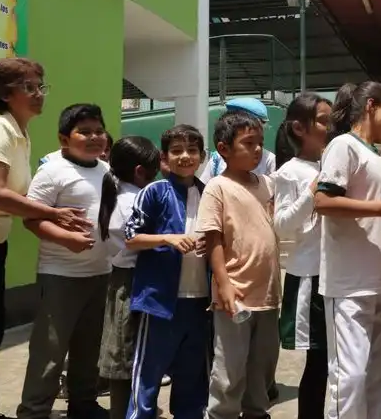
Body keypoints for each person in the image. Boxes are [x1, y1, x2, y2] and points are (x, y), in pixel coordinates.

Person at [0, 58, 90, 419]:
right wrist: (50, 213)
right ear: (5, 93)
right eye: (29, 87)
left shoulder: (18, 133)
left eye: (41, 85)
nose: (38, 93)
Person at [16, 104, 112, 419]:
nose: (95, 137)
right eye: (85, 131)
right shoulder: (53, 171)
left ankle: (83, 404)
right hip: (60, 276)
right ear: (63, 138)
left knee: (88, 348)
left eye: (99, 130)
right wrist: (65, 239)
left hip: (100, 275)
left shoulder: (105, 170)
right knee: (49, 351)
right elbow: (30, 219)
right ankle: (34, 410)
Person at [313, 81, 381, 419]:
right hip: (350, 284)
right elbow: (323, 200)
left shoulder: (377, 156)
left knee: (379, 375)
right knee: (350, 377)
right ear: (371, 105)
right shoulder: (343, 146)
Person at [123, 125, 212, 419]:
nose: (185, 156)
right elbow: (131, 237)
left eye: (192, 151)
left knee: (192, 378)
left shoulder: (209, 193)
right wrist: (167, 239)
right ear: (164, 159)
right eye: (176, 151)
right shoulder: (155, 192)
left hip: (200, 301)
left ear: (202, 156)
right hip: (161, 302)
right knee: (148, 375)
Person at [198, 111, 282, 419]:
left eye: (260, 142)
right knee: (229, 371)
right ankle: (221, 414)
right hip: (235, 295)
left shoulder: (265, 185)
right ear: (223, 149)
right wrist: (224, 284)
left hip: (268, 295)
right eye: (248, 143)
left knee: (261, 370)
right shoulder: (217, 187)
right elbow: (213, 238)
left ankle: (257, 412)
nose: (257, 149)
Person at [272, 92, 334, 419]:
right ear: (299, 128)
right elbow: (281, 225)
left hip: (338, 271)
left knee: (335, 359)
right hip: (310, 276)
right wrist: (312, 193)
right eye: (323, 120)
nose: (330, 126)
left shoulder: (331, 162)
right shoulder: (289, 173)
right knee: (319, 360)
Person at [95, 136, 160, 419]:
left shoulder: (115, 195)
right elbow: (140, 241)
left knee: (126, 356)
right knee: (127, 358)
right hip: (133, 282)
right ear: (140, 171)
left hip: (122, 279)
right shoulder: (134, 201)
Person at [200, 98, 276, 181]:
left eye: (260, 144)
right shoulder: (217, 160)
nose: (257, 149)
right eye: (248, 143)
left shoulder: (269, 160)